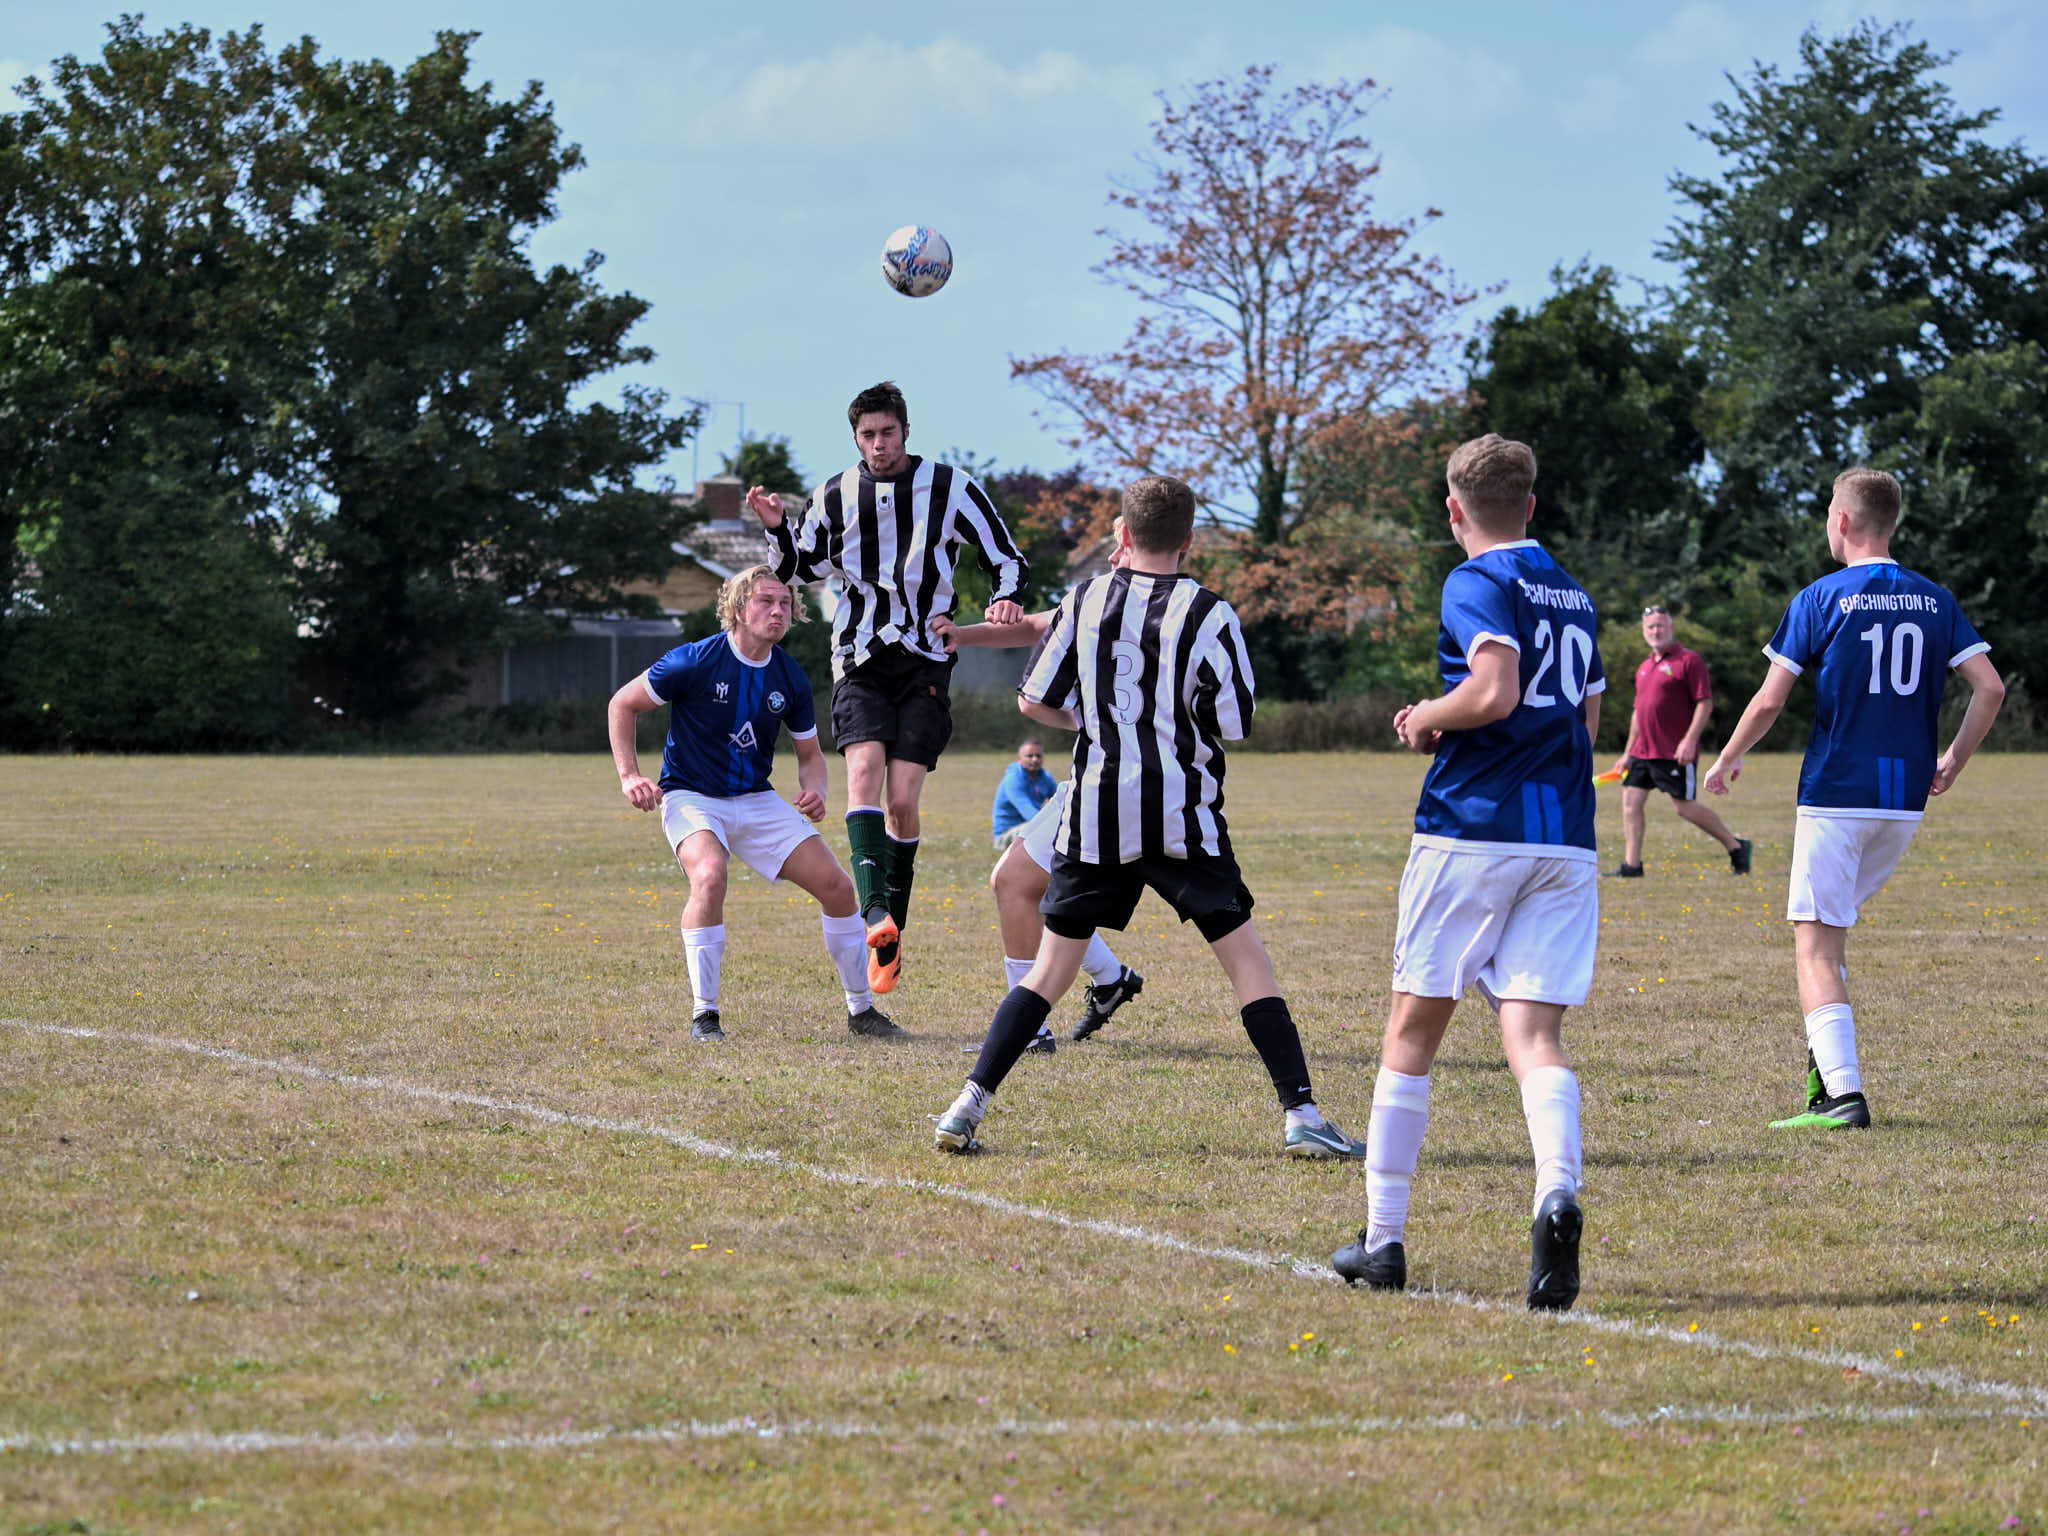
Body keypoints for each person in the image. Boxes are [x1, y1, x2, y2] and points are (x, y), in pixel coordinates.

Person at [930, 475, 1362, 1160]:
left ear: (1123, 536)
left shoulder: (1085, 598)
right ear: (1189, 541)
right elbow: (1235, 720)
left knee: (1049, 973)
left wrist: (1096, 722)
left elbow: (1034, 699)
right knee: (1248, 965)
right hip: (1181, 815)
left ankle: (966, 1106)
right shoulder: (1210, 613)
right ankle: (1302, 1114)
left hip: (1097, 812)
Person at [1331, 434, 1604, 1312]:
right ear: (1531, 505)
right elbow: (1586, 715)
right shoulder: (1572, 590)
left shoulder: (1474, 579)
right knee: (1534, 1036)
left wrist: (1425, 717)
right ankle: (1556, 1192)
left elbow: (1494, 691)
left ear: (1454, 510)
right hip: (1564, 835)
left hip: (1473, 829)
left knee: (1413, 1031)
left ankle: (1383, 1241)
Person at [1703, 467, 2003, 1130]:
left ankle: (1842, 1096)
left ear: (1841, 521)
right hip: (1903, 800)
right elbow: (1990, 688)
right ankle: (1825, 1084)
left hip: (1838, 792)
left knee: (1814, 944)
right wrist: (1953, 759)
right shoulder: (1935, 599)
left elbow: (1770, 700)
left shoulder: (1822, 597)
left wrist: (1728, 757)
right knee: (1829, 939)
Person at [746, 381, 1028, 998]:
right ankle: (874, 914)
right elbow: (797, 569)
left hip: (927, 659)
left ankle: (890, 926)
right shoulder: (834, 494)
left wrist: (1006, 596)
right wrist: (777, 528)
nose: (878, 444)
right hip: (859, 656)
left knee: (902, 801)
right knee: (863, 772)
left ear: (906, 431)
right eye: (868, 435)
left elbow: (1006, 556)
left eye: (888, 433)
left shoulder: (951, 487)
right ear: (856, 438)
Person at [606, 566, 901, 1042]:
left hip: (756, 798)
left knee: (838, 887)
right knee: (709, 875)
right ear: (739, 607)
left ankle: (862, 1011)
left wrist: (816, 789)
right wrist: (629, 776)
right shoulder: (693, 661)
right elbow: (622, 704)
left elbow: (811, 757)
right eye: (766, 601)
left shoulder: (789, 676)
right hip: (691, 795)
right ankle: (705, 1015)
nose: (778, 611)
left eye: (785, 603)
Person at [937, 571, 1146, 1055]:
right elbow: (1035, 625)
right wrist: (962, 634)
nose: (1111, 560)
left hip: (1112, 780)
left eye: (1117, 548)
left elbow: (1031, 700)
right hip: (1142, 780)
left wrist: (1085, 721)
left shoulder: (1109, 603)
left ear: (1131, 543)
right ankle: (1110, 978)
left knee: (1015, 882)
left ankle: (1030, 1029)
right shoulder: (1180, 607)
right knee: (1038, 886)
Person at [1606, 604, 1752, 878]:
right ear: (1644, 631)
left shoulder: (1689, 660)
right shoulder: (1645, 666)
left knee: (1684, 807)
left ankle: (1736, 847)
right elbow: (1638, 712)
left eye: (1660, 626)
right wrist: (1627, 753)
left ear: (1671, 628)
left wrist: (1689, 740)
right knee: (1631, 801)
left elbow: (1704, 703)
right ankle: (1632, 866)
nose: (1655, 631)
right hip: (1642, 751)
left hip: (1673, 751)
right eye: (1650, 627)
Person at [991, 739, 1056, 849]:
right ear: (1019, 759)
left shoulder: (1045, 776)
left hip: (1030, 827)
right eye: (1030, 756)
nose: (1035, 759)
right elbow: (1029, 814)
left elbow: (1062, 801)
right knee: (1043, 830)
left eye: (1038, 756)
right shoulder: (1012, 779)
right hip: (1007, 834)